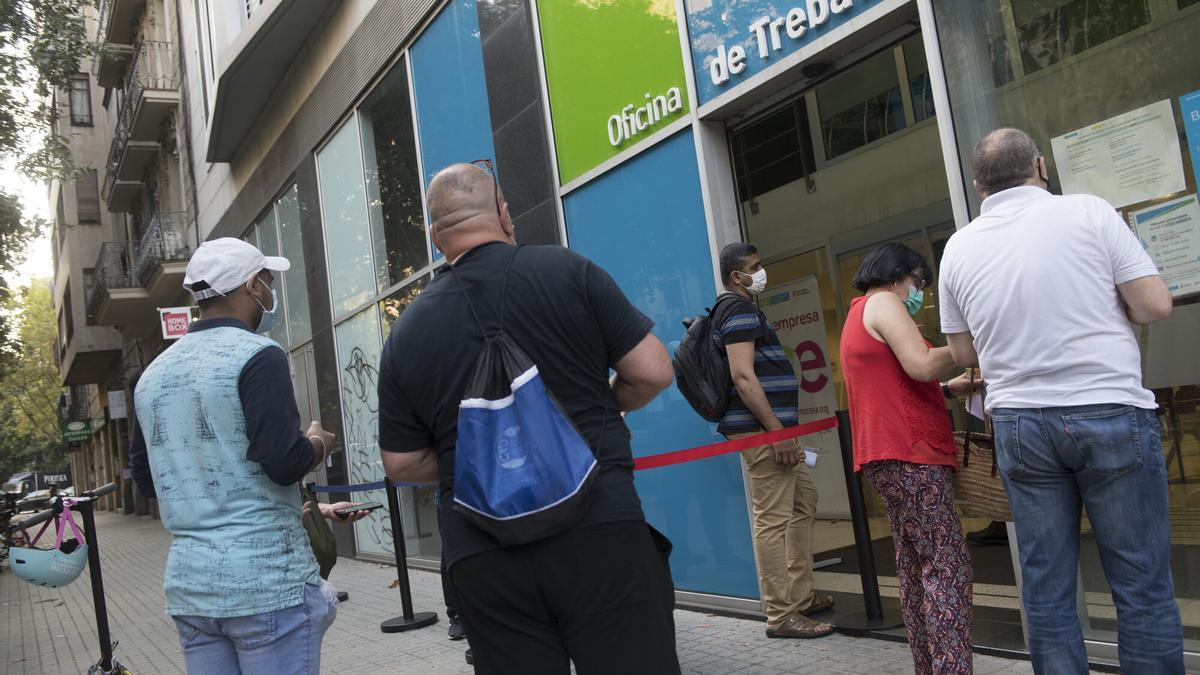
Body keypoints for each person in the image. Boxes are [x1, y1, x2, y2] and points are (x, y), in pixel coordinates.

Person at [376, 162, 680, 674]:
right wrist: (603, 409)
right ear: (504, 214)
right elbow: (651, 371)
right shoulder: (569, 271)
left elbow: (401, 463)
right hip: (599, 524)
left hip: (482, 548)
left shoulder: (406, 332)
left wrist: (476, 461)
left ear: (435, 236)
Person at [939, 128, 1181, 673]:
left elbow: (961, 351)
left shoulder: (958, 246)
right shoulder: (1091, 213)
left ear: (979, 185)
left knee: (1046, 587)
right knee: (1140, 583)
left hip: (1021, 423)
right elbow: (1155, 306)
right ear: (1041, 167)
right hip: (1109, 408)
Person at [129, 238, 340, 675]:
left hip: (191, 588)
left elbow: (148, 479)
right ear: (251, 285)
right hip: (266, 583)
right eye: (266, 280)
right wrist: (318, 443)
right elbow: (283, 461)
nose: (268, 291)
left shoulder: (152, 375)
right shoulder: (259, 356)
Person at [840, 242, 978, 674]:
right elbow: (919, 365)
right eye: (918, 281)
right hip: (910, 453)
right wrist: (969, 349)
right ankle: (953, 668)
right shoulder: (884, 300)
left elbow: (893, 383)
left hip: (885, 454)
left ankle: (930, 667)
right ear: (896, 274)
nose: (918, 291)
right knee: (946, 563)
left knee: (917, 566)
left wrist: (951, 388)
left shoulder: (858, 311)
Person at [713, 243, 831, 639]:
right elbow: (743, 376)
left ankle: (800, 596)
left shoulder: (743, 309)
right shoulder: (738, 310)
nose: (762, 272)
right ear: (736, 276)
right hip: (764, 432)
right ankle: (782, 615)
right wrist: (776, 431)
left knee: (803, 501)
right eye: (755, 267)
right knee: (773, 519)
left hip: (771, 430)